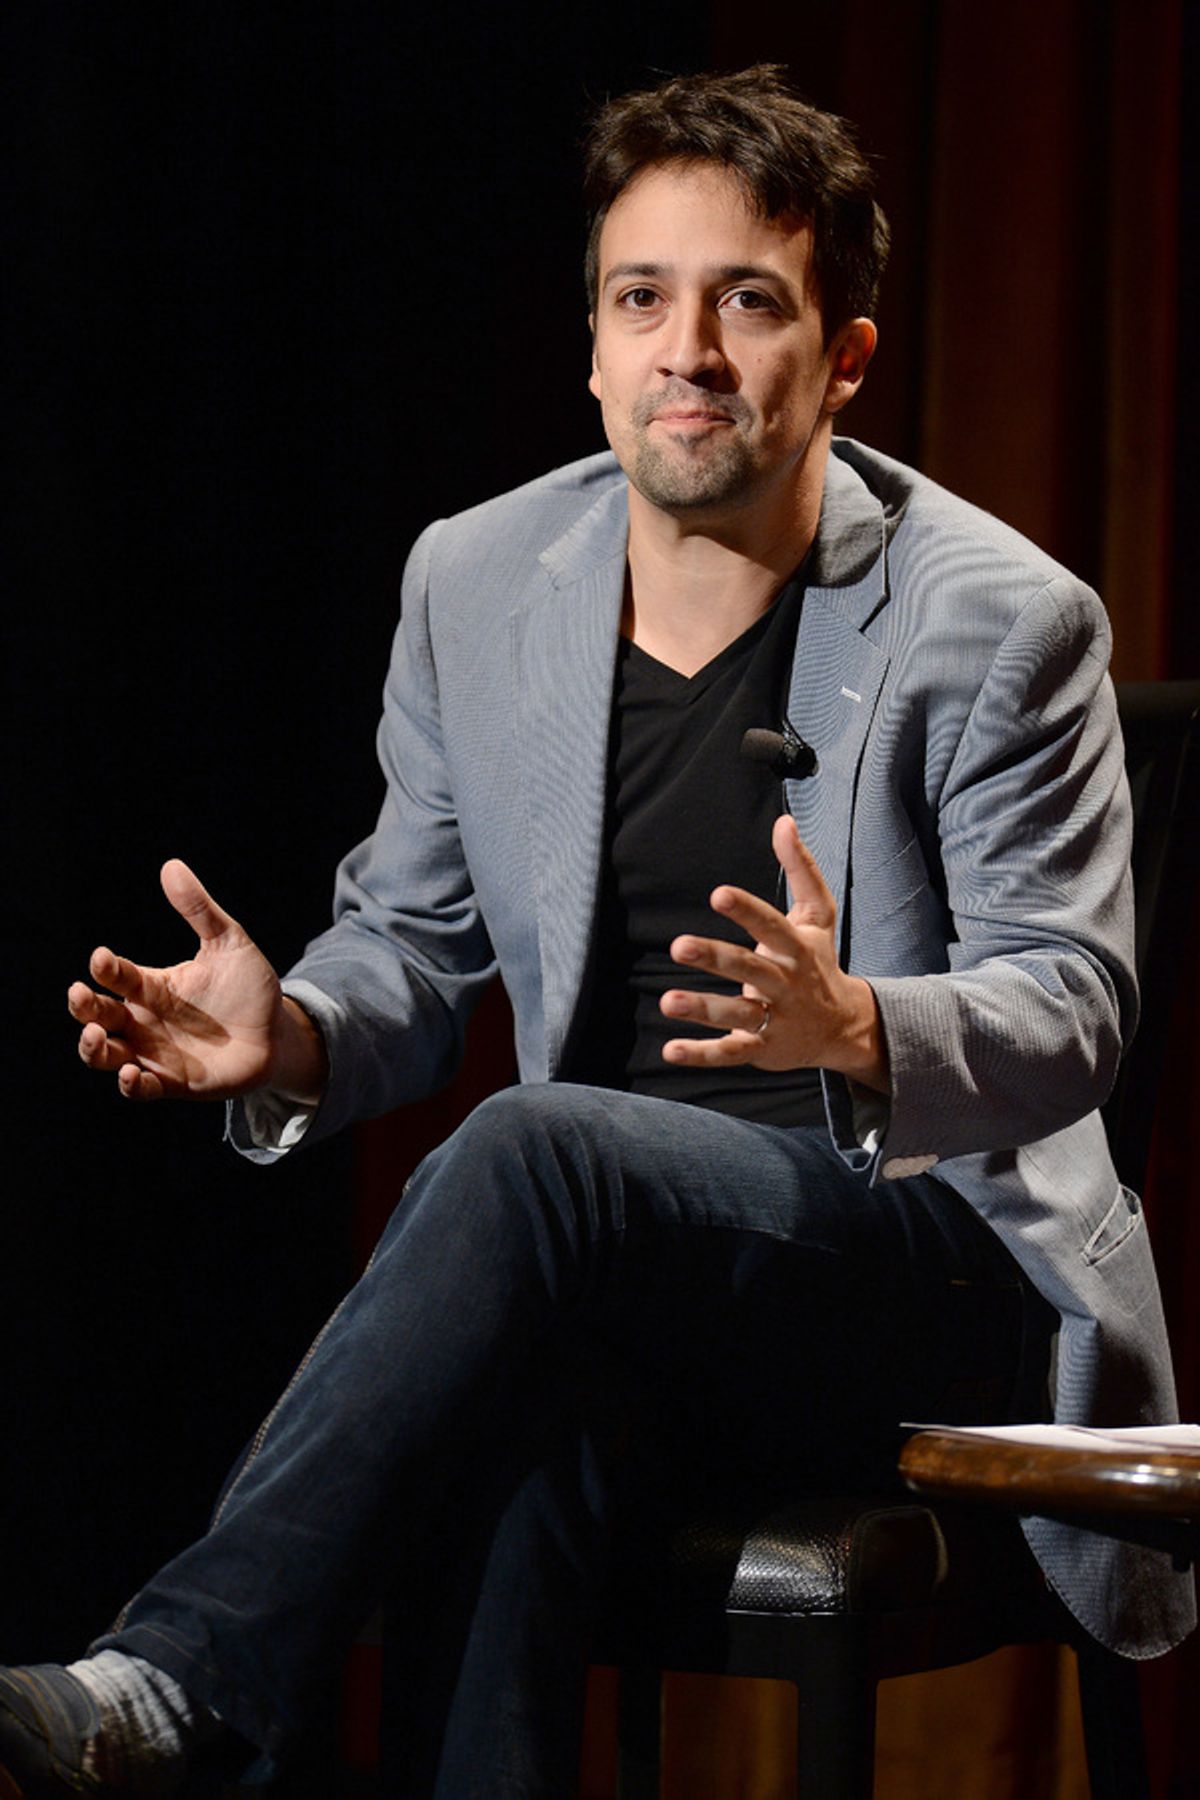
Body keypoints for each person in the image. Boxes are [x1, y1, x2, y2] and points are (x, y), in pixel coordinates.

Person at [3, 62, 1192, 1800]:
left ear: (844, 358)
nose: (687, 350)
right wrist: (301, 1035)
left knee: (527, 1157)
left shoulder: (998, 623)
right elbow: (408, 949)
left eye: (748, 304)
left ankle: (175, 1688)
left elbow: (1077, 1007)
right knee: (507, 1422)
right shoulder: (476, 582)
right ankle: (179, 1704)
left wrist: (862, 1024)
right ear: (591, 343)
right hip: (619, 1277)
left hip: (919, 1258)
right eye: (643, 299)